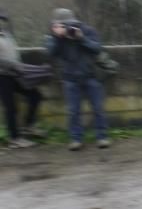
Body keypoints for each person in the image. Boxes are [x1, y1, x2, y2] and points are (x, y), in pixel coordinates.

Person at [45, 8, 109, 150]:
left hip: (91, 75)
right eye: (61, 24)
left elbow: (97, 48)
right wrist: (57, 37)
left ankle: (102, 137)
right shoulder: (53, 36)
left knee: (98, 108)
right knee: (73, 111)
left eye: (67, 23)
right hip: (70, 78)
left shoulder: (87, 30)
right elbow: (50, 53)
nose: (66, 27)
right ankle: (76, 139)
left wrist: (81, 38)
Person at [0, 10, 44, 149]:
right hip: (2, 77)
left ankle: (29, 126)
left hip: (15, 75)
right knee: (11, 108)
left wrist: (19, 66)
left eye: (2, 19)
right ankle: (15, 139)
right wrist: (14, 65)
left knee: (35, 95)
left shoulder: (6, 35)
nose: (2, 22)